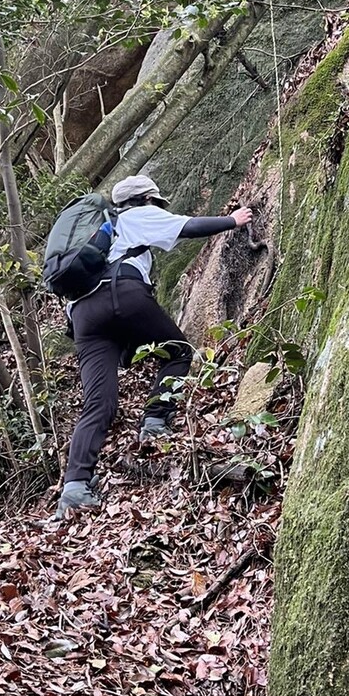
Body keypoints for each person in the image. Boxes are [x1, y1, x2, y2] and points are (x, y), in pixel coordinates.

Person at [54, 174, 252, 514]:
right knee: (178, 352)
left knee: (98, 404)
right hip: (123, 295)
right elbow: (188, 226)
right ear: (146, 200)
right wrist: (232, 220)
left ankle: (75, 486)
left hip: (84, 317)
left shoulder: (96, 231)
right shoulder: (136, 216)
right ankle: (155, 421)